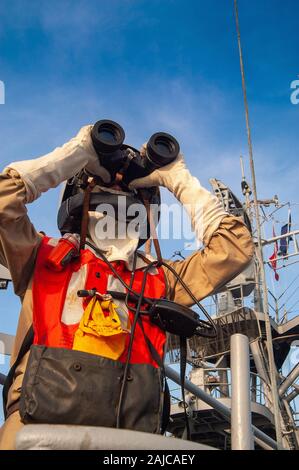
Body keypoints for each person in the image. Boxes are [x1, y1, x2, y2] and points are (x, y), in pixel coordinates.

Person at [0, 125, 254, 450]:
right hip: (35, 436)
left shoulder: (160, 280)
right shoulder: (41, 258)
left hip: (130, 446)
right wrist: (74, 154)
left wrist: (179, 180)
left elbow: (235, 249)